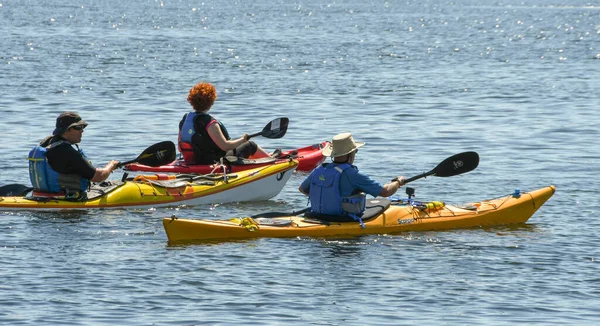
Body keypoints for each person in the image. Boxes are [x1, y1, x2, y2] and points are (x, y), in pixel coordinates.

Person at [299, 132, 407, 224]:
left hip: (316, 216)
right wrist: (398, 181)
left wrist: (326, 198)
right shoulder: (353, 175)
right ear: (350, 154)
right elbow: (386, 192)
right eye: (355, 151)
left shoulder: (319, 170)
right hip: (342, 219)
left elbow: (302, 189)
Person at [178, 82, 279, 164]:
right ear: (211, 101)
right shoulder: (210, 123)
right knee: (250, 145)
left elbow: (180, 146)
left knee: (236, 142)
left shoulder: (185, 119)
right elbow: (225, 146)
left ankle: (262, 158)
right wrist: (243, 140)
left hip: (193, 161)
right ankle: (272, 161)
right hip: (214, 161)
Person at [27, 112, 119, 197]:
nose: (82, 131)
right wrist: (111, 165)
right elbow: (98, 176)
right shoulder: (67, 152)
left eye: (83, 127)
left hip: (41, 195)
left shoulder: (47, 144)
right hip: (66, 199)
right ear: (67, 130)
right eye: (78, 127)